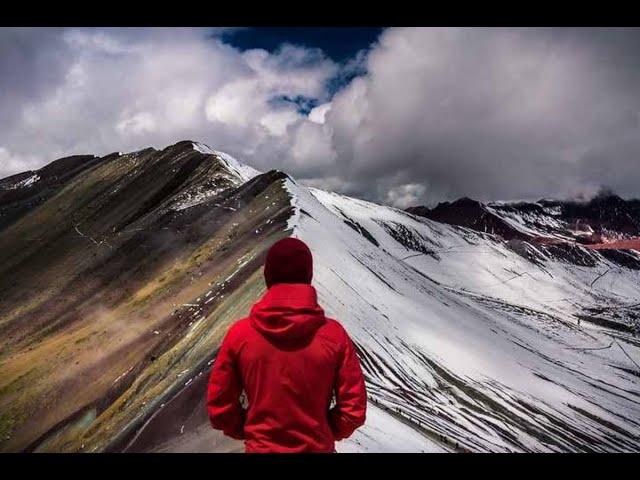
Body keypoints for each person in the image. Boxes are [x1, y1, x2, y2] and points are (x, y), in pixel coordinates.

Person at [206, 237, 367, 453]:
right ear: (308, 276)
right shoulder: (334, 335)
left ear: (268, 276)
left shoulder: (240, 335)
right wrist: (324, 433)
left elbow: (220, 408)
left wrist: (253, 432)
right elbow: (353, 410)